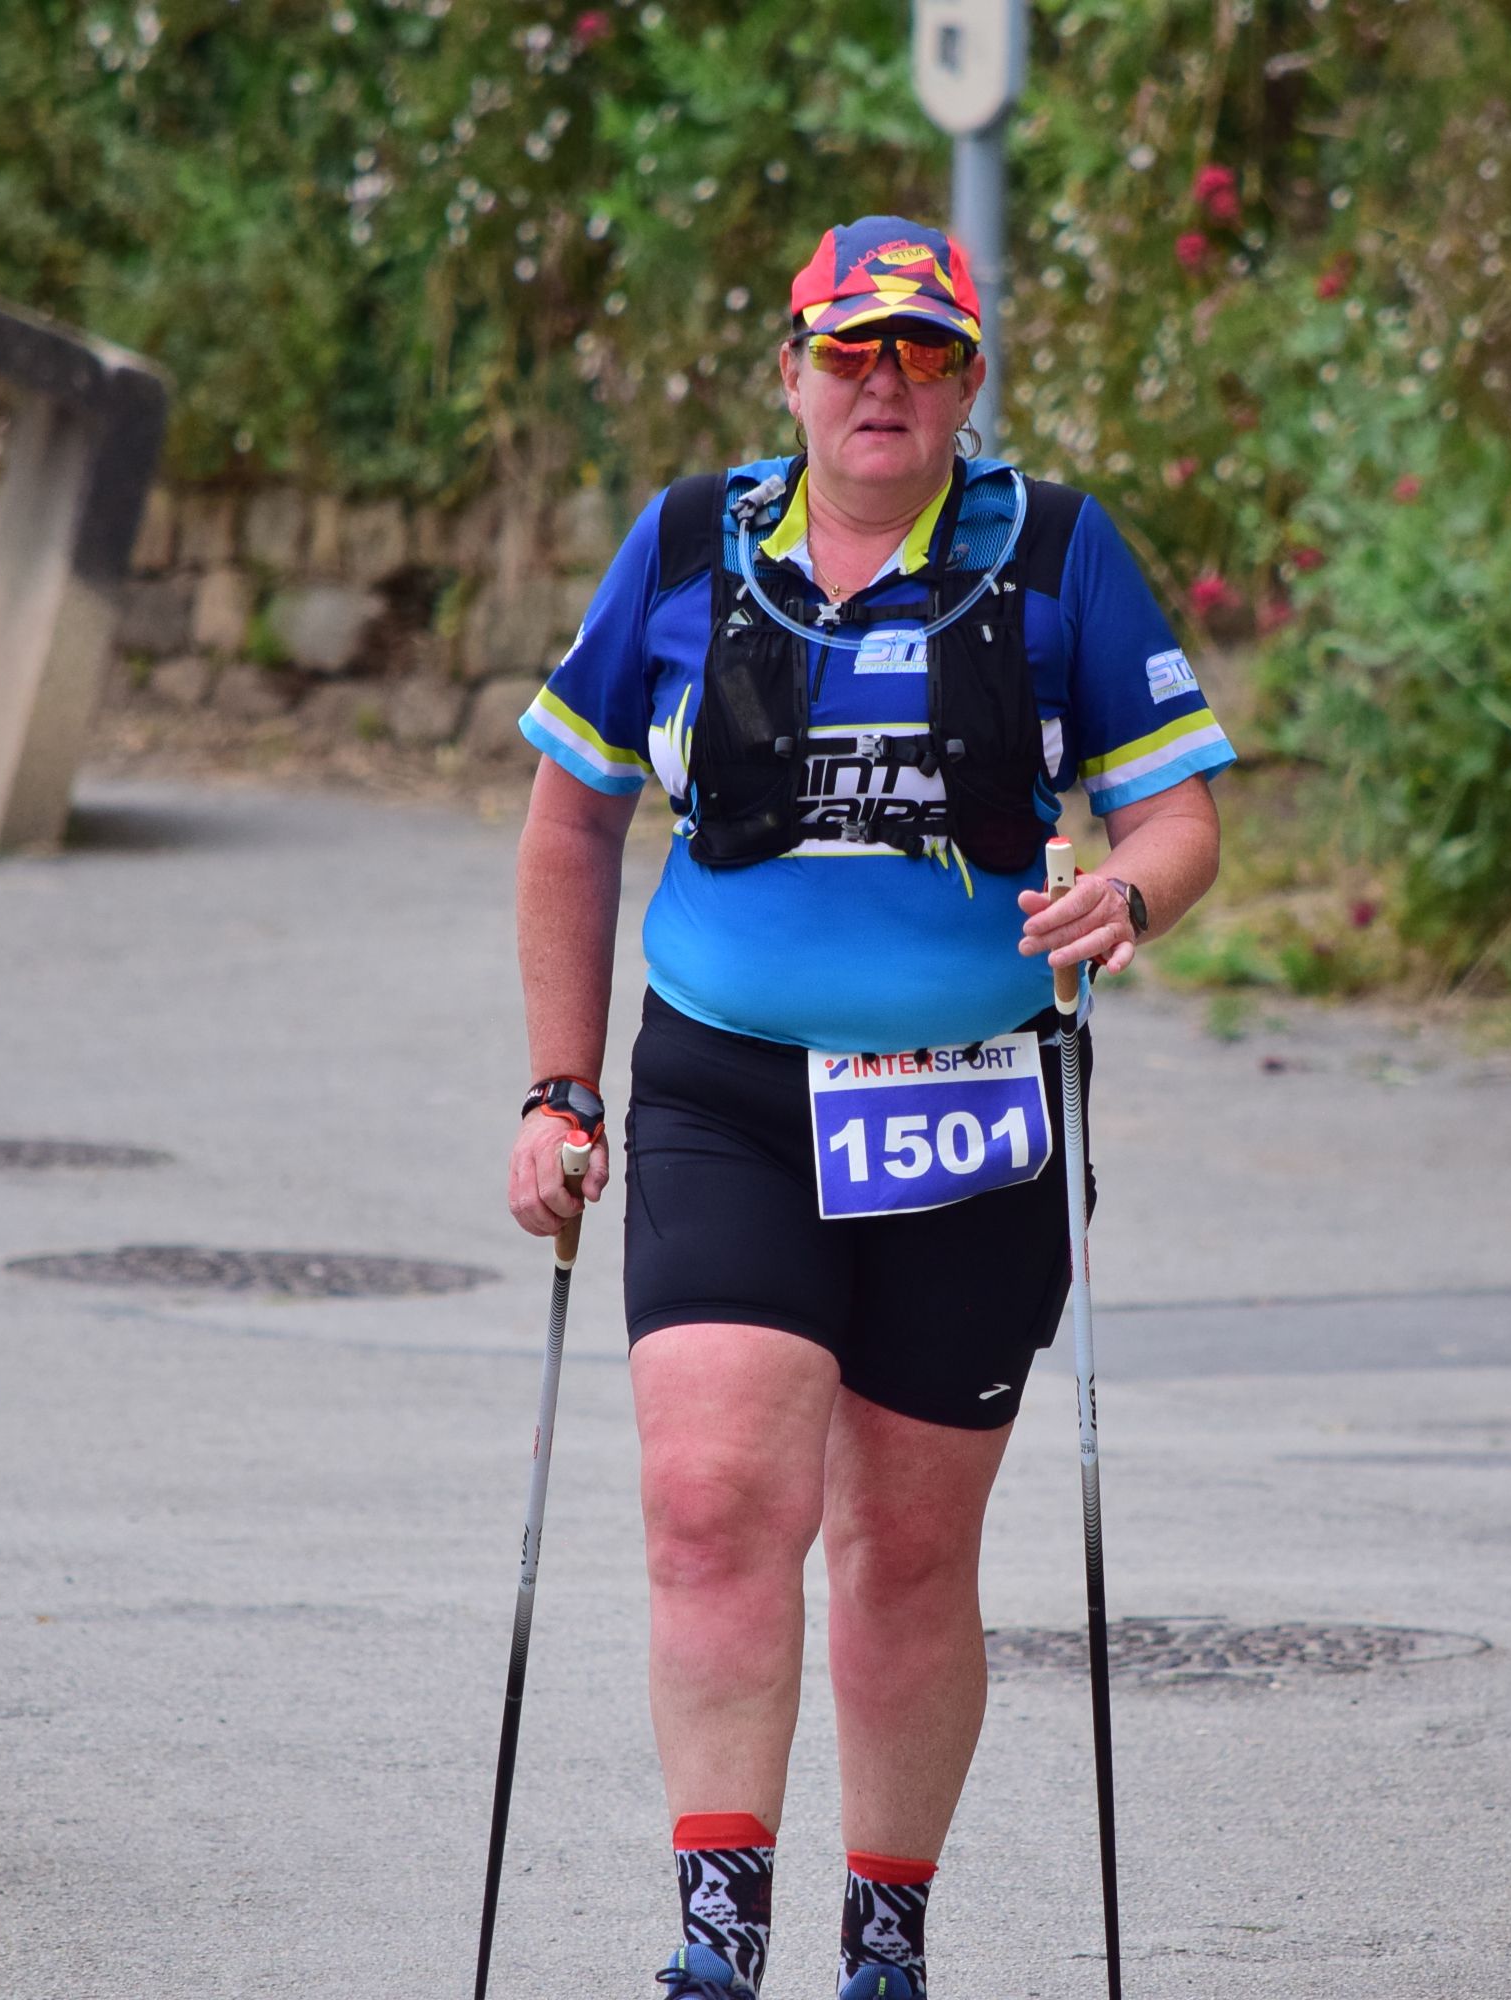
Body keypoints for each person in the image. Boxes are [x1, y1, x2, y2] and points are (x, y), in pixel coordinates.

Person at [504, 216, 1231, 2000]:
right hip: (729, 1097)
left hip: (968, 1109)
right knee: (708, 1500)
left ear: (969, 384)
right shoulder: (691, 543)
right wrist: (559, 1091)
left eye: (923, 352)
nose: (883, 381)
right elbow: (572, 819)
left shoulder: (1055, 554)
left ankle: (885, 1943)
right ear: (794, 374)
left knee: (904, 1552)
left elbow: (1176, 816)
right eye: (850, 349)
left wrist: (1128, 896)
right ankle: (716, 1941)